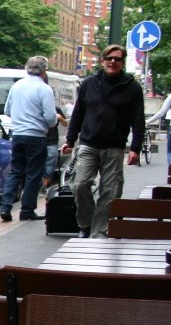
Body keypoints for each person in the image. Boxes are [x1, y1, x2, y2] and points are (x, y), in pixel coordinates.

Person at [61, 44, 145, 239]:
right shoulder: (89, 84)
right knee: (79, 185)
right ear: (102, 61)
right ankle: (86, 223)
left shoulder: (132, 88)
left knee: (111, 191)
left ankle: (98, 232)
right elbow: (78, 114)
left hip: (114, 147)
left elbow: (138, 120)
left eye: (117, 59)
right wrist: (70, 140)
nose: (113, 62)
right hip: (89, 144)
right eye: (109, 58)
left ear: (123, 63)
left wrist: (135, 148)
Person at [0, 56, 56, 222]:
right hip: (36, 135)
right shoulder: (44, 89)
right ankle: (27, 210)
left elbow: (7, 110)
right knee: (33, 173)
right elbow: (51, 117)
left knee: (15, 171)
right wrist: (47, 122)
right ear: (44, 71)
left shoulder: (17, 86)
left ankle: (5, 207)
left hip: (17, 134)